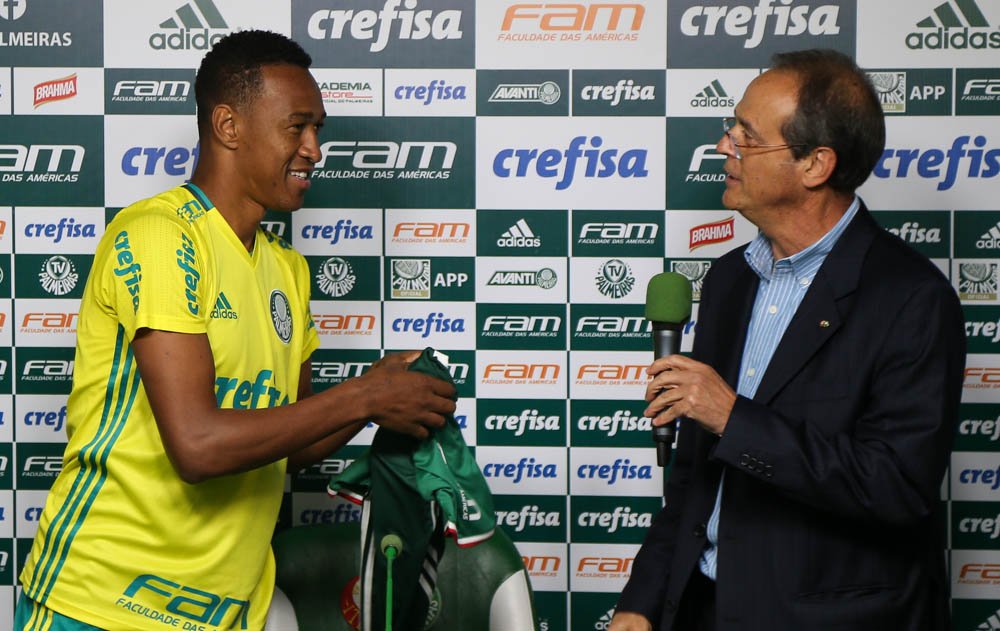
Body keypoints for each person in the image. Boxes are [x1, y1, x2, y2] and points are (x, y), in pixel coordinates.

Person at [15, 30, 456, 631]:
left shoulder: (287, 269)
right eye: (296, 127)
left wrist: (372, 395)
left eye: (318, 130)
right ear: (228, 126)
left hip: (226, 614)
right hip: (102, 605)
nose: (313, 150)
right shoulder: (161, 236)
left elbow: (291, 443)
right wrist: (365, 396)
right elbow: (197, 446)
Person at [611, 49, 965, 631]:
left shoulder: (913, 299)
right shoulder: (729, 278)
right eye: (731, 130)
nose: (725, 147)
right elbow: (696, 474)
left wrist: (733, 416)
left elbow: (897, 489)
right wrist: (643, 598)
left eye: (746, 137)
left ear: (815, 164)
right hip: (702, 607)